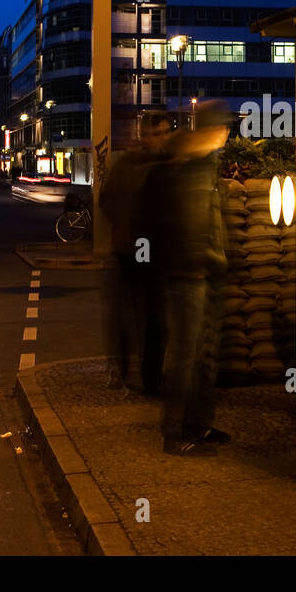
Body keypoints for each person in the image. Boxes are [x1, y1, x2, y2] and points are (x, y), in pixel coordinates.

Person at [147, 100, 232, 455]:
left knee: (199, 353)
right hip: (189, 271)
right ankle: (175, 433)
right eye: (224, 127)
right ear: (214, 129)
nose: (227, 133)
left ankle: (197, 424)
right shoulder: (193, 165)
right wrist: (212, 259)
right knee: (185, 352)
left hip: (198, 269)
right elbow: (193, 223)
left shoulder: (200, 162)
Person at [97, 112, 172, 394]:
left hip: (157, 253)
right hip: (128, 249)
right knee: (123, 316)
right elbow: (106, 199)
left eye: (163, 133)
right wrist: (125, 222)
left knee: (154, 318)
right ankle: (120, 370)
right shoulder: (128, 164)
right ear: (142, 135)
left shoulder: (170, 165)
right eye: (153, 133)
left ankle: (152, 377)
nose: (158, 139)